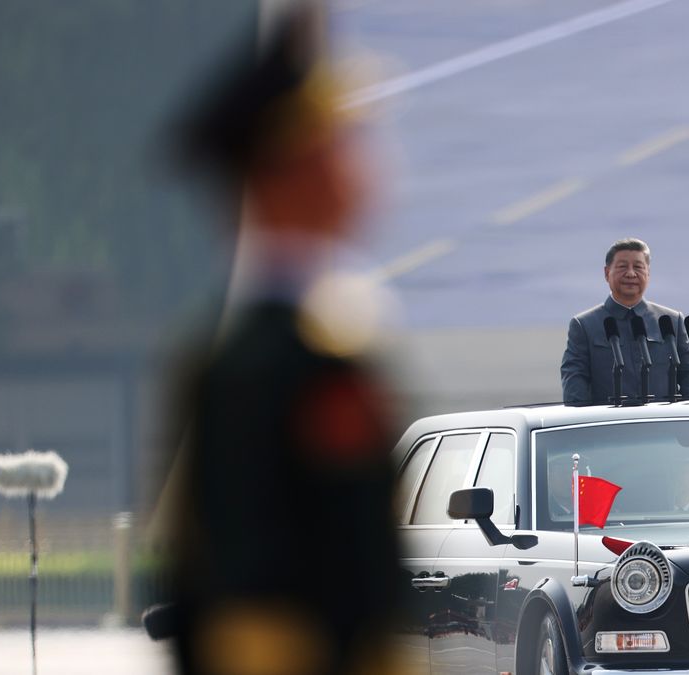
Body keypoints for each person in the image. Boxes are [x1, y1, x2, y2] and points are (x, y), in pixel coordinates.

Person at [164, 7, 403, 675]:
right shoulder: (284, 362)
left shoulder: (293, 346)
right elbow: (246, 601)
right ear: (287, 173)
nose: (360, 161)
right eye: (337, 140)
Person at [560, 238, 689, 405]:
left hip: (662, 426)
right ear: (606, 273)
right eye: (622, 267)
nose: (631, 274)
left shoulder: (671, 322)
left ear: (648, 273)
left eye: (638, 267)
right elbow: (575, 386)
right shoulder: (584, 325)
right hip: (609, 428)